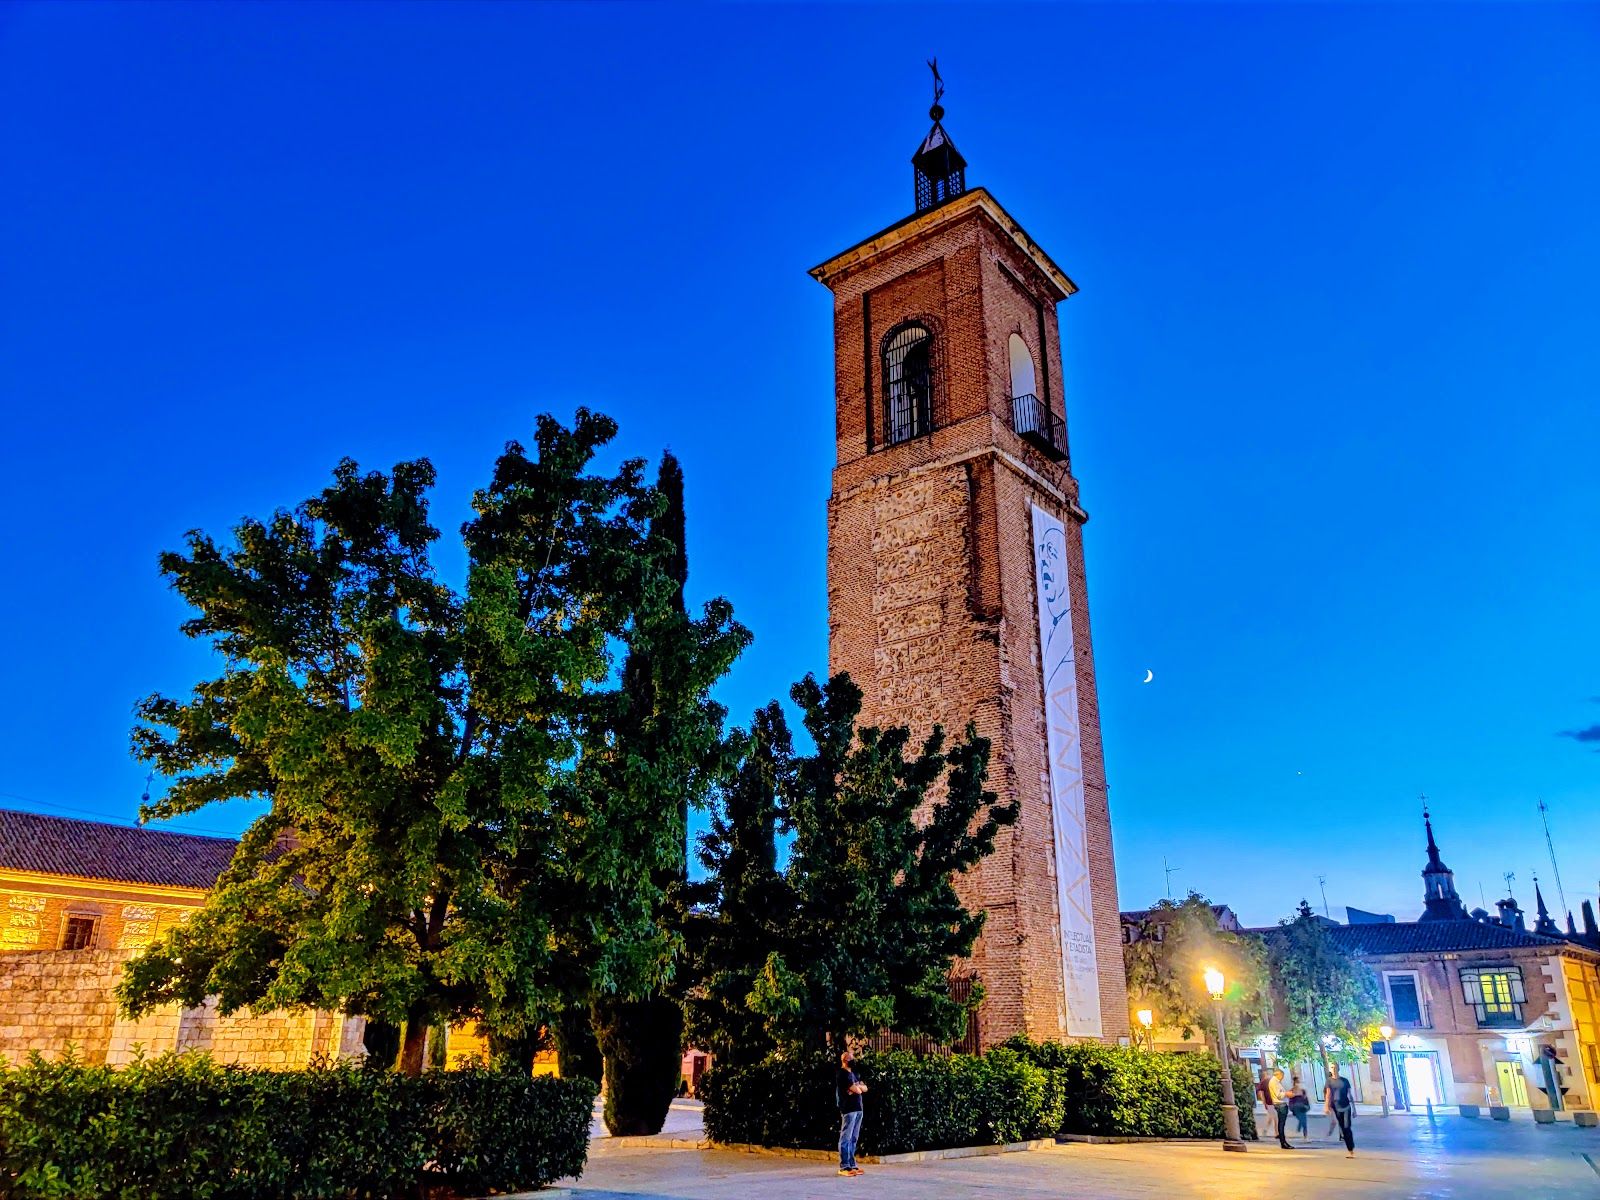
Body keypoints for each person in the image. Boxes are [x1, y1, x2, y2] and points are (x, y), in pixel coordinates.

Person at [836, 1048, 868, 1177]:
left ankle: (852, 1164)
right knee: (846, 1137)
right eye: (850, 1058)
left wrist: (857, 1088)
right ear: (844, 1060)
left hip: (858, 1108)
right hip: (848, 1109)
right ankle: (845, 1166)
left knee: (854, 1138)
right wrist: (857, 1088)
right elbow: (858, 1090)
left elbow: (864, 1088)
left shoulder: (854, 1073)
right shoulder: (842, 1074)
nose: (853, 1060)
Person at [1325, 1063, 1356, 1157]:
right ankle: (1350, 1149)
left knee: (1347, 1127)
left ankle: (1351, 1148)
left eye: (1335, 1067)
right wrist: (1326, 1106)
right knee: (1343, 1128)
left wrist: (1354, 1109)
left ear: (1338, 1068)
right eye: (1332, 1068)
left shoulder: (1345, 1081)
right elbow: (1328, 1094)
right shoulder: (1329, 1081)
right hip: (1336, 1107)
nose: (1333, 1069)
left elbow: (1349, 1095)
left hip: (1346, 1106)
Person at [1268, 1068, 1294, 1149]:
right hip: (1280, 1104)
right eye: (1282, 1075)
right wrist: (1287, 1094)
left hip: (1280, 1104)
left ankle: (1283, 1142)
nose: (1282, 1077)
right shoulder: (1274, 1082)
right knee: (1281, 1124)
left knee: (1281, 1124)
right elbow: (1278, 1095)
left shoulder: (1275, 1082)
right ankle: (1283, 1142)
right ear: (1279, 1074)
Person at [1287, 1074, 1311, 1140]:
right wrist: (1292, 1108)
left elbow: (1306, 1100)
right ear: (1294, 1083)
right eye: (1297, 1082)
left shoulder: (1303, 1091)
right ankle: (1303, 1133)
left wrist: (1307, 1106)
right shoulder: (1291, 1091)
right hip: (1296, 1108)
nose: (1298, 1084)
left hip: (1302, 1108)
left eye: (1298, 1082)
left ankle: (1305, 1136)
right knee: (1303, 1121)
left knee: (1304, 1122)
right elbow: (1290, 1101)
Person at [1255, 1071, 1276, 1140]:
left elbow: (1261, 1093)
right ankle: (1277, 1132)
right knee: (1274, 1117)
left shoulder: (1265, 1082)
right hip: (1270, 1102)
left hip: (1271, 1102)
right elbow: (1261, 1093)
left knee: (1271, 1117)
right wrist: (1264, 1103)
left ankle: (1266, 1129)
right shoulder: (1264, 1082)